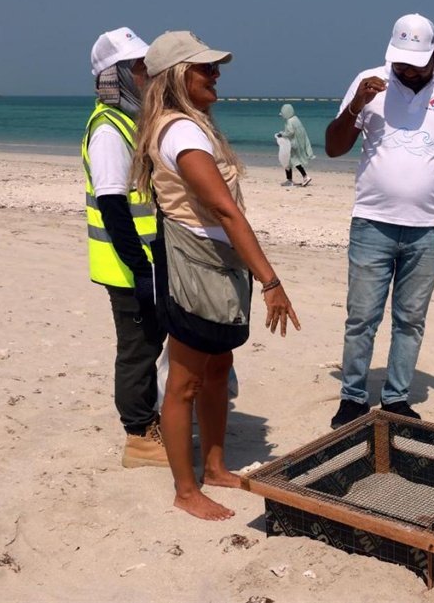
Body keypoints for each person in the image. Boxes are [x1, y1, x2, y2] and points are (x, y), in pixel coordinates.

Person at [133, 31, 300, 519]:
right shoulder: (181, 132)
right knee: (185, 379)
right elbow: (225, 210)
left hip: (219, 265)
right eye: (205, 68)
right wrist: (271, 281)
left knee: (219, 366)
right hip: (196, 266)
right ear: (179, 77)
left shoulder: (190, 125)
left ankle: (215, 465)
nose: (217, 75)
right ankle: (186, 490)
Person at [324, 13, 434, 429]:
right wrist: (357, 105)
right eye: (399, 61)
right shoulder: (368, 82)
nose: (406, 69)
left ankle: (395, 398)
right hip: (372, 222)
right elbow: (333, 147)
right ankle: (353, 396)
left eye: (415, 62)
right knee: (361, 317)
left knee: (410, 319)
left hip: (428, 228)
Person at [82, 27, 167, 468]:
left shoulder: (133, 122)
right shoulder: (110, 129)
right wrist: (141, 267)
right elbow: (114, 205)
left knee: (150, 342)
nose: (147, 74)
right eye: (138, 67)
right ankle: (138, 437)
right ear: (114, 77)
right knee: (137, 348)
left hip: (141, 260)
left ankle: (149, 420)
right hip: (125, 264)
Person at [276, 103, 314, 186]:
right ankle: (289, 180)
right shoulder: (296, 119)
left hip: (293, 144)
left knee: (293, 161)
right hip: (297, 143)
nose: (282, 116)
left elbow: (290, 132)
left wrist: (281, 134)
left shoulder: (289, 121)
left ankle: (305, 177)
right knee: (288, 162)